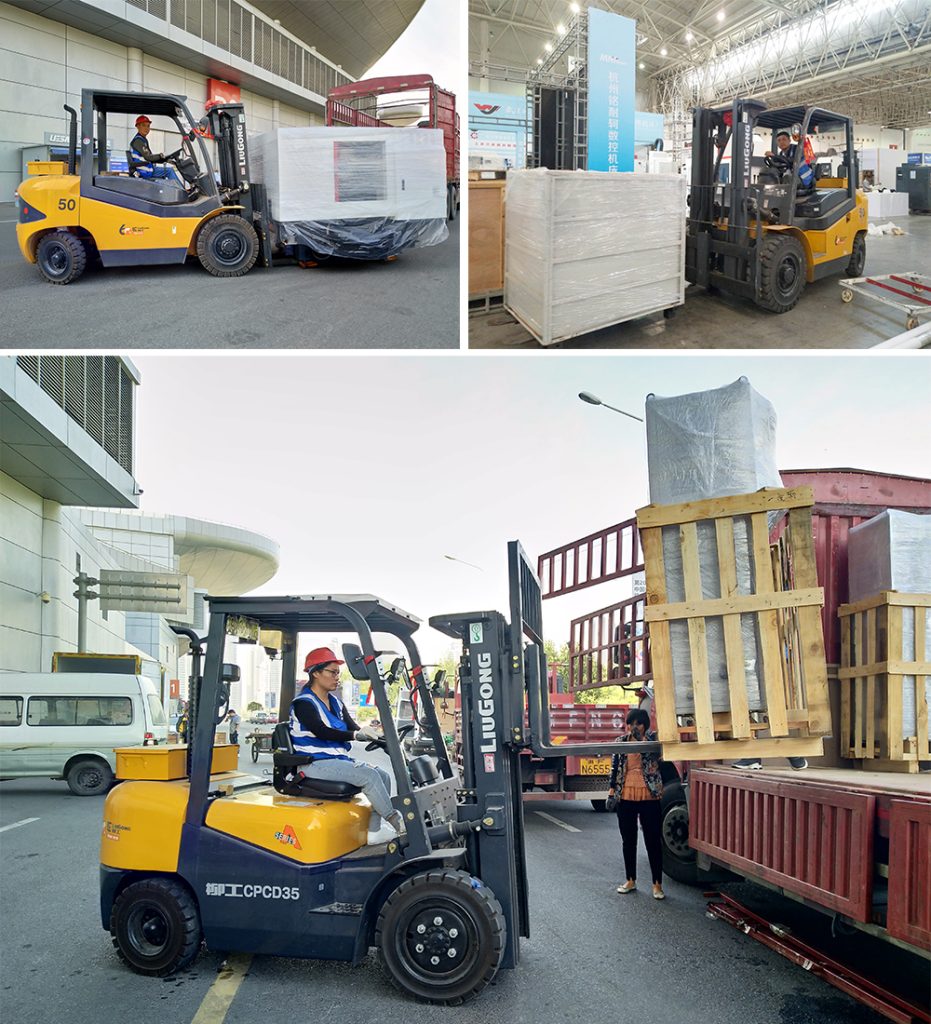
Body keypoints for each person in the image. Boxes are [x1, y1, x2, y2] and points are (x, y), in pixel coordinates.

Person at [290, 646, 404, 844]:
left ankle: (374, 831)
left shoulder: (336, 703)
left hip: (337, 761)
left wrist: (374, 735)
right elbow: (321, 731)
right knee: (369, 776)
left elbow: (353, 727)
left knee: (383, 776)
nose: (337, 677)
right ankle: (398, 823)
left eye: (338, 673)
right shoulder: (304, 703)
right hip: (313, 763)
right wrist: (355, 735)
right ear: (316, 673)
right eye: (332, 672)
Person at [608, 708, 665, 900]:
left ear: (645, 724)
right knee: (628, 840)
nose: (634, 727)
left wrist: (642, 740)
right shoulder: (621, 741)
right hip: (625, 795)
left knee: (653, 841)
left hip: (650, 795)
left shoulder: (653, 740)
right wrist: (611, 791)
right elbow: (614, 767)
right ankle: (630, 880)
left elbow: (659, 758)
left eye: (638, 723)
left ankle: (657, 885)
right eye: (631, 723)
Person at [129, 115, 176, 180]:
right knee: (169, 171)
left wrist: (165, 159)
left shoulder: (143, 140)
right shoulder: (138, 141)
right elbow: (148, 157)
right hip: (144, 170)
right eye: (143, 125)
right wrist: (161, 155)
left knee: (165, 177)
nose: (146, 128)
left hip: (146, 168)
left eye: (148, 126)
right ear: (138, 127)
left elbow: (151, 158)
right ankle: (179, 187)